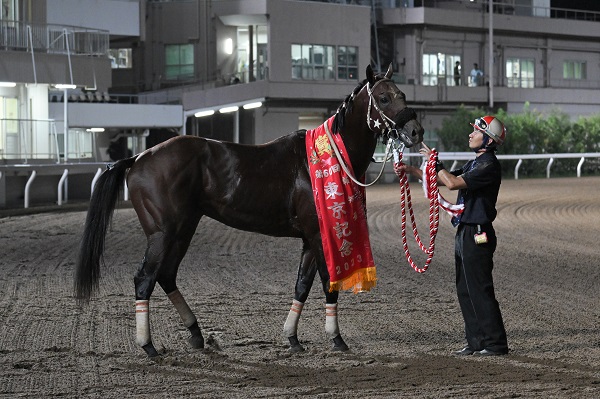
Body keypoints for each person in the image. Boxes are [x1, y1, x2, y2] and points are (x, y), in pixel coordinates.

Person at [395, 115, 509, 357]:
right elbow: (441, 178)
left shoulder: (488, 165)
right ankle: (477, 342)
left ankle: (496, 344)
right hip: (466, 231)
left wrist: (435, 164)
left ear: (488, 140)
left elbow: (453, 183)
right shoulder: (476, 163)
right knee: (465, 289)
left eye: (476, 131)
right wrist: (413, 169)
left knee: (479, 288)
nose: (471, 134)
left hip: (478, 233)